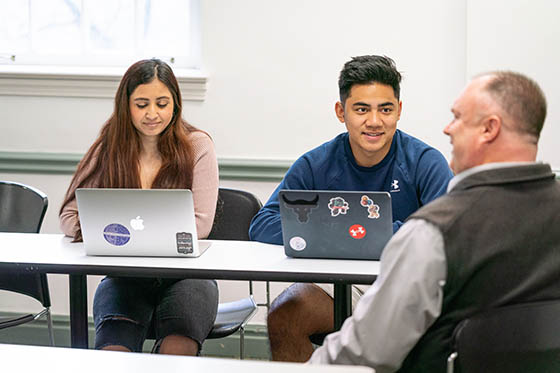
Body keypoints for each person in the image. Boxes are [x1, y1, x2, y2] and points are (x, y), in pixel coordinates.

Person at [309, 71, 559, 372]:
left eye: (457, 117)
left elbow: (364, 352)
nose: (447, 129)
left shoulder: (434, 233)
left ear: (488, 129)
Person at [249, 55, 453, 361]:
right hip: (336, 291)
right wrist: (334, 232)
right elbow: (263, 223)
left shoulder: (425, 161)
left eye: (385, 109)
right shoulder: (316, 163)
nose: (374, 121)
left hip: (405, 292)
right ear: (341, 112)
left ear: (399, 110)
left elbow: (449, 233)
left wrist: (364, 233)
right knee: (286, 312)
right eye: (361, 109)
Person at [59, 59, 219, 355]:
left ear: (176, 104)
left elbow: (201, 224)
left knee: (177, 351)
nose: (152, 114)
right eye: (142, 104)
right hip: (125, 277)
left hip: (188, 276)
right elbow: (69, 215)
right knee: (113, 354)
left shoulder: (197, 145)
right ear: (126, 105)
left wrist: (125, 238)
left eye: (162, 103)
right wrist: (96, 231)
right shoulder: (110, 145)